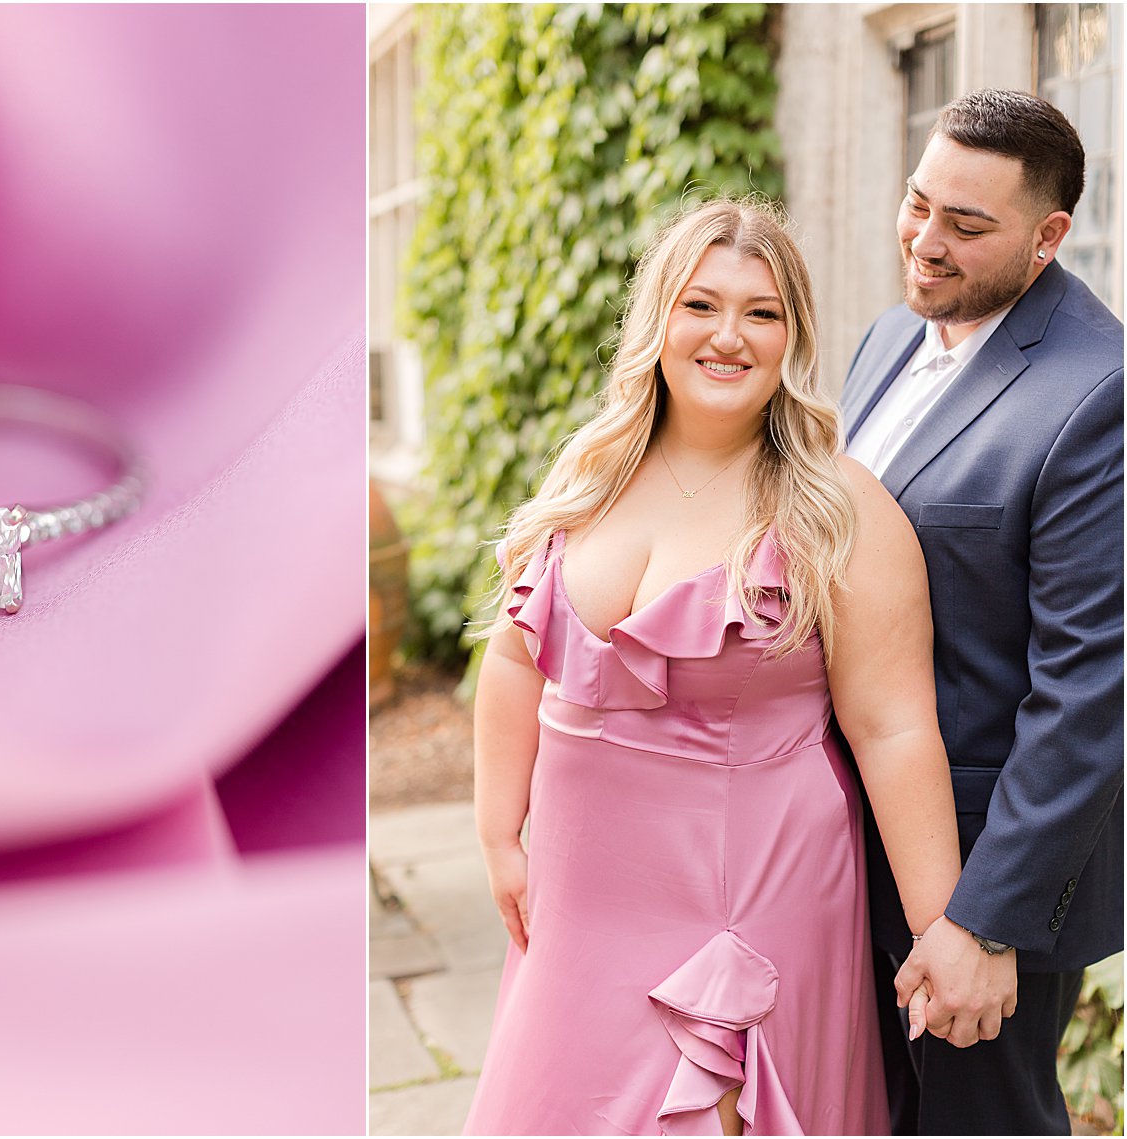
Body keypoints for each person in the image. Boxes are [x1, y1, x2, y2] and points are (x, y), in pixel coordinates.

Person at [463, 197, 963, 1136]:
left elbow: (894, 729)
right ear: (659, 320)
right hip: (580, 890)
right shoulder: (592, 471)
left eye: (761, 312)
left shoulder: (837, 507)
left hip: (748, 888)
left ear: (792, 337)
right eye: (701, 305)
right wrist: (497, 833)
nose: (728, 335)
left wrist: (942, 927)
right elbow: (515, 657)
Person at [843, 88, 1124, 1135]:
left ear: (1047, 236)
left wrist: (979, 920)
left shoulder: (1098, 392)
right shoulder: (886, 337)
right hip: (846, 849)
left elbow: (1088, 692)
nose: (924, 241)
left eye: (965, 226)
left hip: (972, 886)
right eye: (917, 203)